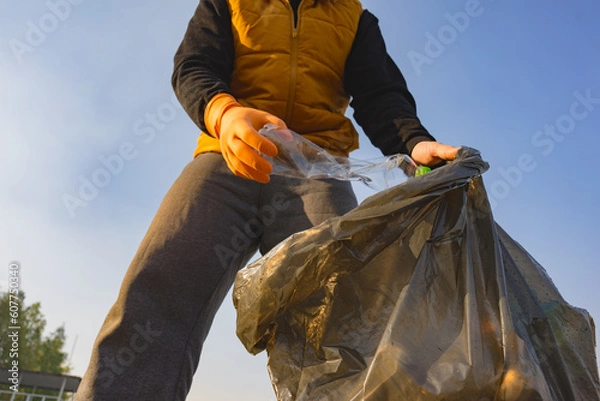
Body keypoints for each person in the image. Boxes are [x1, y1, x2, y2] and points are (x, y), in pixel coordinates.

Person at [75, 0, 459, 399]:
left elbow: (380, 94)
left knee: (343, 313)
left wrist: (414, 143)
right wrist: (225, 114)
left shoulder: (354, 17)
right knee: (159, 287)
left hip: (318, 169)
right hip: (227, 158)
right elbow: (193, 65)